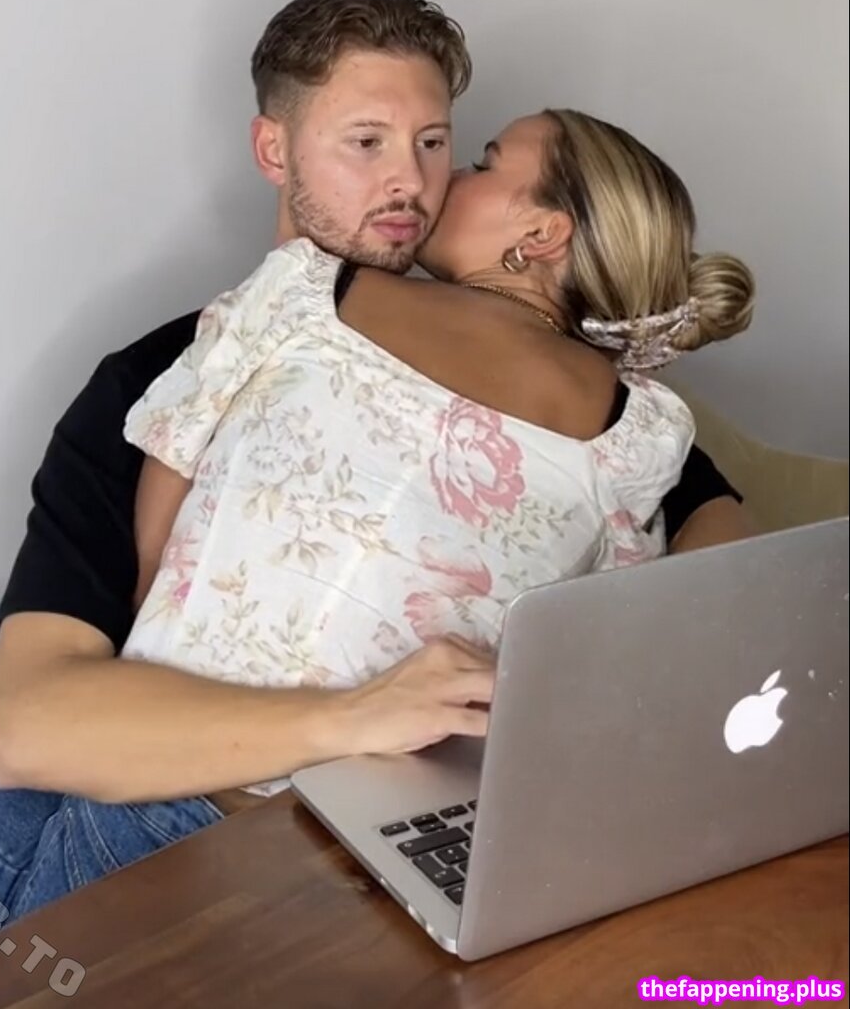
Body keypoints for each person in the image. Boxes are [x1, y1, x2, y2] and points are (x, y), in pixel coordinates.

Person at [0, 0, 754, 956]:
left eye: (441, 145)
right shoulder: (638, 423)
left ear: (541, 235)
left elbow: (704, 539)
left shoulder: (622, 423)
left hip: (249, 843)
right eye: (365, 142)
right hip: (375, 840)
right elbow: (32, 727)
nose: (415, 183)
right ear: (276, 151)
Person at [116, 108, 755, 800]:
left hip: (171, 775)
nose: (440, 178)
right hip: (358, 834)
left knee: (16, 707)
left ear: (541, 234)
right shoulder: (638, 432)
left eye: (484, 163)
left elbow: (172, 460)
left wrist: (138, 658)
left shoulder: (308, 286)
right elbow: (607, 638)